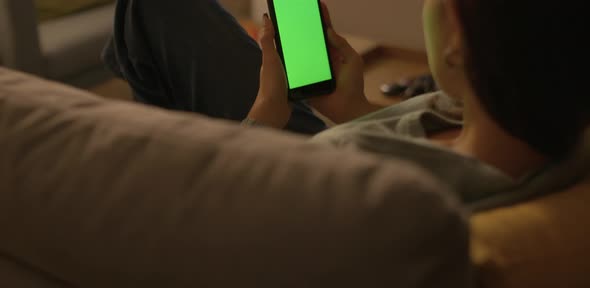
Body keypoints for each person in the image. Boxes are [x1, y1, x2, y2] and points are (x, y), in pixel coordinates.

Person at [103, 0, 589, 209]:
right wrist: (353, 107)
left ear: (458, 37)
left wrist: (266, 112)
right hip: (345, 135)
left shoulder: (359, 187)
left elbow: (210, 205)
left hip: (276, 163)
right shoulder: (554, 126)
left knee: (149, 14)